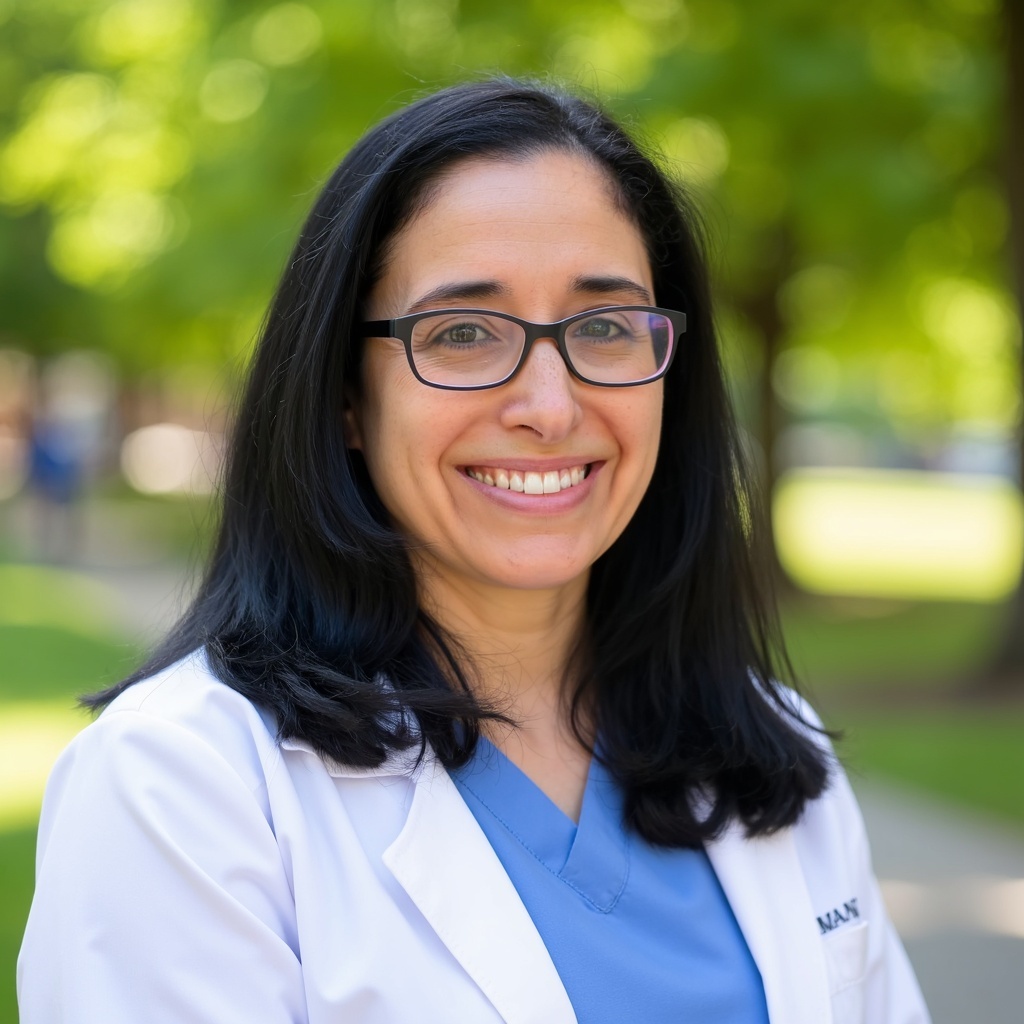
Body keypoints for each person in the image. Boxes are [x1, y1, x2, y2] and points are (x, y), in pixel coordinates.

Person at [18, 78, 930, 1023]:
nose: (550, 407)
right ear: (345, 398)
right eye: (462, 333)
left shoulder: (769, 747)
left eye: (605, 327)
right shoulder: (182, 787)